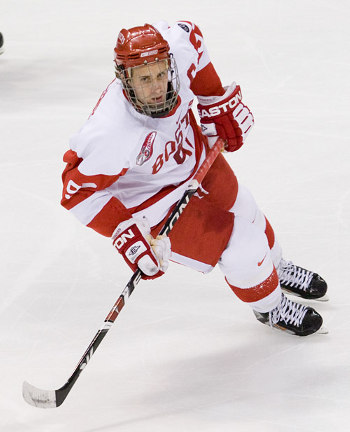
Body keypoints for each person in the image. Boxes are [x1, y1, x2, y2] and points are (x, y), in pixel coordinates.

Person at [61, 21, 328, 337]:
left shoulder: (180, 48)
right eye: (144, 79)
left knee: (248, 211)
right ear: (124, 78)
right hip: (153, 201)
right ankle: (271, 307)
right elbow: (76, 192)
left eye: (161, 73)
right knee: (245, 246)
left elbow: (196, 52)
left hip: (193, 157)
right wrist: (125, 231)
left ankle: (276, 267)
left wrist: (216, 104)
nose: (157, 86)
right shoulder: (110, 133)